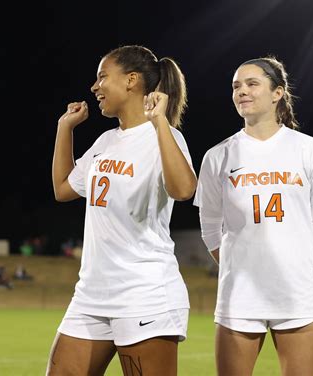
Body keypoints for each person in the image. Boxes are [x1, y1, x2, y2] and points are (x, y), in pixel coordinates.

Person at [46, 45, 197, 376]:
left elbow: (184, 190)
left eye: (102, 77)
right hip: (92, 293)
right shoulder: (105, 142)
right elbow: (63, 189)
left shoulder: (164, 136)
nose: (94, 87)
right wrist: (64, 128)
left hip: (144, 294)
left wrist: (159, 123)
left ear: (131, 80)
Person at [193, 56, 313, 376]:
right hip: (239, 294)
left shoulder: (309, 149)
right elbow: (210, 227)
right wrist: (237, 264)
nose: (241, 91)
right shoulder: (218, 155)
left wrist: (295, 264)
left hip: (295, 292)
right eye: (236, 86)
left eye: (252, 83)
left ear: (277, 93)